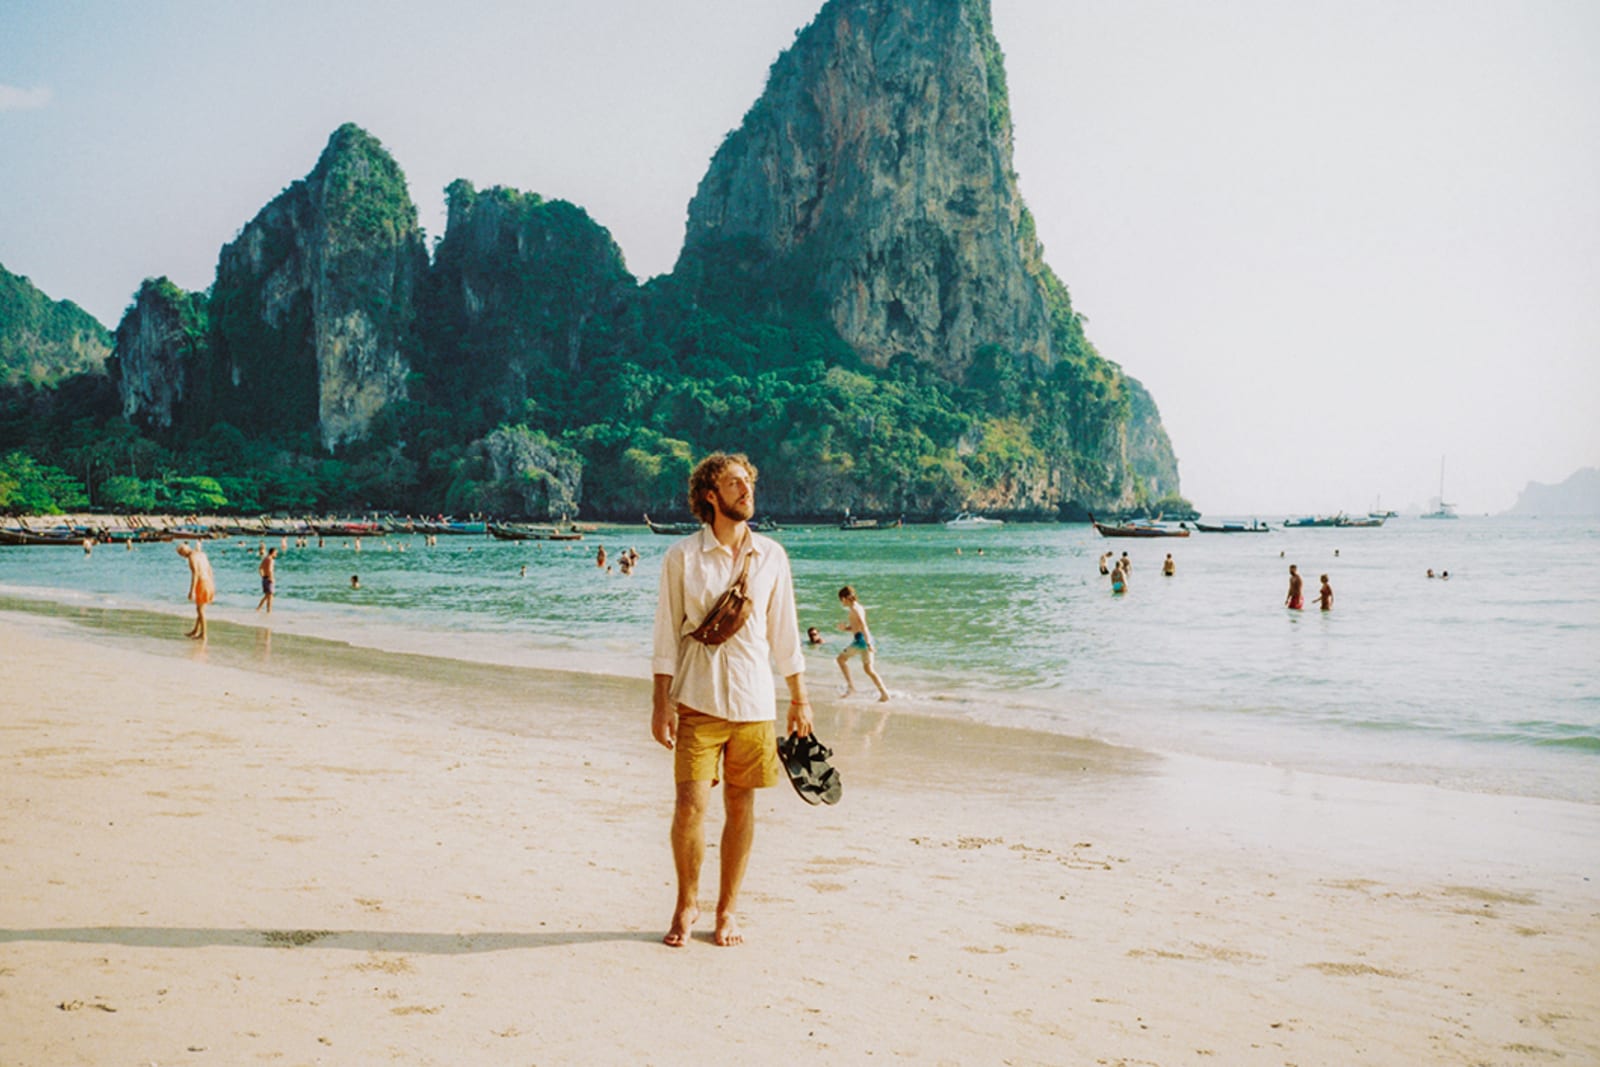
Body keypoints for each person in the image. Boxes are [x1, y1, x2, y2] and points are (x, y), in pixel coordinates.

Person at [651, 452, 810, 948]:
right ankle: (686, 905)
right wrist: (661, 704)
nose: (747, 490)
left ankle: (727, 911)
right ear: (710, 496)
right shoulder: (683, 557)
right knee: (689, 806)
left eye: (749, 482)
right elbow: (665, 636)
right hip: (696, 701)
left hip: (754, 704)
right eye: (735, 483)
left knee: (741, 808)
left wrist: (799, 698)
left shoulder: (771, 556)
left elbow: (784, 634)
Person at [836, 585, 890, 702]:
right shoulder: (858, 607)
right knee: (869, 669)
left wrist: (869, 643)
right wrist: (845, 629)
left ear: (845, 598)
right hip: (864, 638)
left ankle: (851, 688)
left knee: (840, 659)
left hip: (861, 640)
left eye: (841, 600)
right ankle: (884, 693)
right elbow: (857, 627)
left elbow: (864, 626)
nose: (841, 603)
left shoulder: (855, 609)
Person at [176, 541, 215, 640]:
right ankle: (196, 630)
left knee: (200, 610)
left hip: (202, 582)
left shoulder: (191, 557)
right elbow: (210, 569)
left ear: (183, 552)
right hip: (209, 582)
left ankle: (204, 634)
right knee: (201, 608)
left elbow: (196, 574)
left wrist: (192, 590)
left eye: (181, 554)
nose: (182, 556)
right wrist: (212, 584)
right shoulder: (202, 554)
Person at [256, 547, 277, 613]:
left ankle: (258, 608)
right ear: (272, 553)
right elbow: (270, 570)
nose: (276, 554)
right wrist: (271, 578)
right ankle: (269, 611)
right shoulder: (271, 560)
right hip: (268, 578)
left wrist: (262, 576)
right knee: (270, 597)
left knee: (267, 595)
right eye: (276, 553)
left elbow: (260, 568)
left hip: (265, 578)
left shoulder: (265, 558)